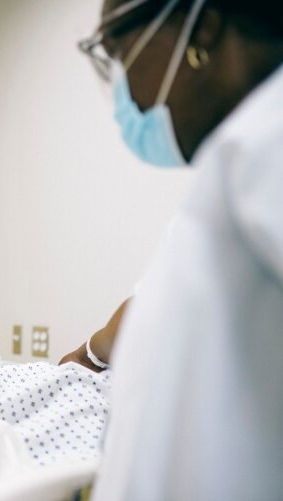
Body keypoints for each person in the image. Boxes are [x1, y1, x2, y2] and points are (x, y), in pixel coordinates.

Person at [74, 0, 283, 499]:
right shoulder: (231, 170)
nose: (125, 92)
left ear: (203, 28)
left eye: (121, 54)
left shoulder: (265, 143)